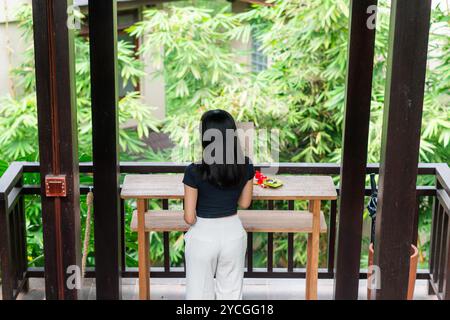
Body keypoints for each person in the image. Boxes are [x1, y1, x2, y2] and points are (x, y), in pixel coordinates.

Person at [183, 109, 255, 300]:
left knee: (199, 296)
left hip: (203, 237)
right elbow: (245, 203)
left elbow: (189, 218)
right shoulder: (246, 165)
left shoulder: (194, 171)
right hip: (234, 235)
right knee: (231, 295)